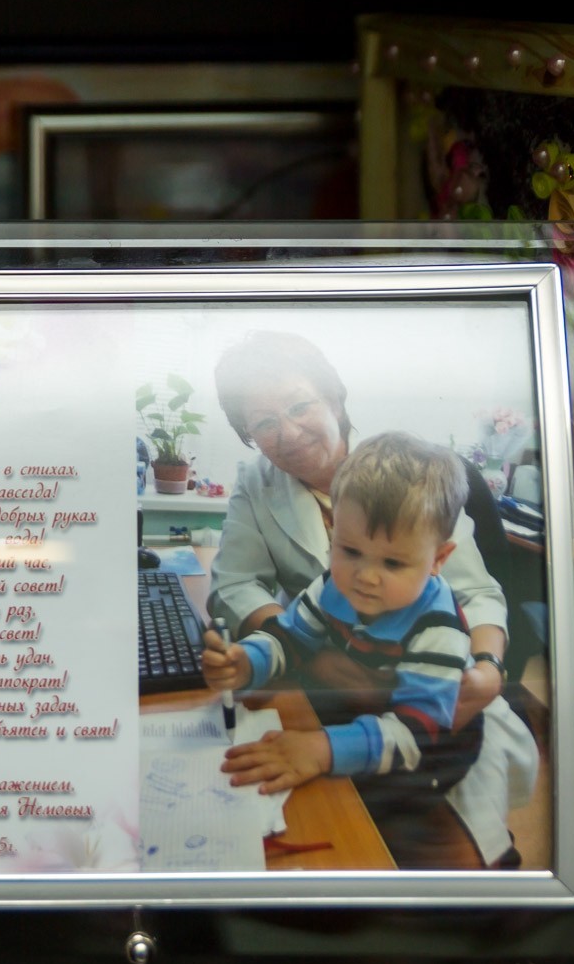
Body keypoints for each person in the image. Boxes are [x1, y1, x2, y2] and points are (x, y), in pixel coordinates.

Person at [206, 331, 534, 868]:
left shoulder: (411, 478)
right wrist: (265, 657)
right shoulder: (298, 544)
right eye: (263, 422)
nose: (287, 432)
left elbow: (475, 596)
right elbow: (251, 597)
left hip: (434, 702)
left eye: (299, 406)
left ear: (334, 398)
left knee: (440, 848)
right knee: (324, 821)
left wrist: (486, 668)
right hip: (332, 685)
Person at [201, 435, 483, 838]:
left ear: (438, 559)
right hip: (365, 713)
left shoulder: (439, 627)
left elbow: (415, 736)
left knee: (359, 823)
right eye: (350, 551)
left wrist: (322, 749)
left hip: (432, 742)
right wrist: (246, 661)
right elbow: (289, 639)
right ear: (334, 530)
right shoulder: (334, 584)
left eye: (392, 563)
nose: (365, 577)